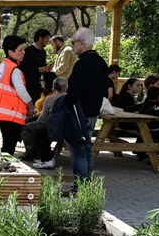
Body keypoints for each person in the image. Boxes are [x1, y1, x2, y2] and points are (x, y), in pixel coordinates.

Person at [64, 27, 109, 185]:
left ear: (81, 44)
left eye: (73, 43)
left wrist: (65, 105)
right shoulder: (101, 62)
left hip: (79, 113)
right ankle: (87, 185)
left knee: (78, 150)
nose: (72, 46)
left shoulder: (82, 64)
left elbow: (74, 91)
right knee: (87, 149)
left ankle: (80, 186)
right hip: (93, 111)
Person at [0, 35, 35, 155]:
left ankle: (2, 170)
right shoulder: (14, 69)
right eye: (20, 50)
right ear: (10, 52)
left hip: (0, 113)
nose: (24, 52)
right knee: (8, 148)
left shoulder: (3, 65)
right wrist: (31, 106)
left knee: (7, 145)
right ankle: (3, 171)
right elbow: (21, 90)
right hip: (10, 114)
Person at [28, 76, 68, 170]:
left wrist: (35, 121)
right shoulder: (70, 98)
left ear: (54, 87)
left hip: (56, 128)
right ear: (65, 87)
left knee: (38, 132)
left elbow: (43, 117)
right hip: (70, 128)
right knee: (43, 132)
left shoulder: (50, 99)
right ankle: (48, 157)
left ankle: (45, 158)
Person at [22, 73, 61, 164]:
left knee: (26, 127)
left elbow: (45, 112)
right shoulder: (44, 93)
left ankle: (31, 152)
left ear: (47, 81)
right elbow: (40, 108)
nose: (40, 82)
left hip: (46, 119)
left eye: (42, 80)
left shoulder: (52, 95)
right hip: (39, 116)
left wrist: (33, 115)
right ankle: (33, 151)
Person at [22, 29, 52, 102]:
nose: (48, 41)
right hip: (29, 87)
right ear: (40, 38)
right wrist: (38, 69)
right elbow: (23, 68)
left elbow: (42, 66)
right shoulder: (27, 51)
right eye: (46, 38)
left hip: (40, 86)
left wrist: (47, 68)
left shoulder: (43, 52)